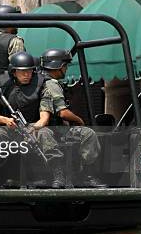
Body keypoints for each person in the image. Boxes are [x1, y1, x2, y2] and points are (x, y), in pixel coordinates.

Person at [0, 52, 65, 188]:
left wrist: (34, 128)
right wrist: (4, 120)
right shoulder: (4, 85)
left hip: (33, 126)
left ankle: (58, 175)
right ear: (14, 72)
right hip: (11, 126)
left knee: (45, 134)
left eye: (29, 71)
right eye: (22, 72)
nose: (27, 75)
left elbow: (44, 118)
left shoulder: (42, 85)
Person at [40, 49, 106, 187]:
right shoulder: (51, 83)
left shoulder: (39, 80)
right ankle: (87, 175)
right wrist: (79, 120)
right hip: (52, 130)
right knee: (88, 134)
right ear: (58, 66)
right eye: (65, 65)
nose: (66, 69)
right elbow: (62, 112)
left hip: (46, 128)